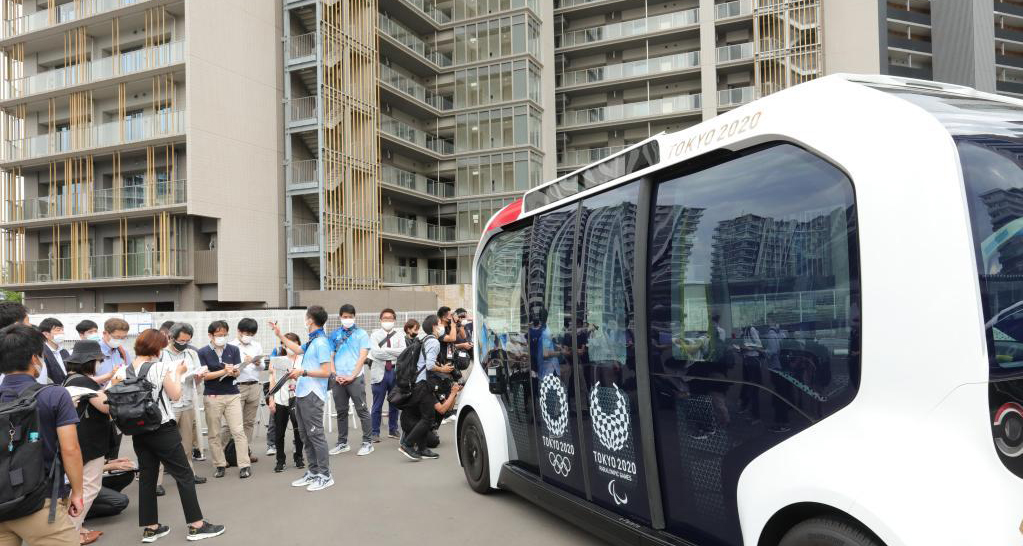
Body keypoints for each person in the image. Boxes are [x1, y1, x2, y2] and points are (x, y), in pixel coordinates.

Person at [111, 329, 225, 542]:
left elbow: (112, 394)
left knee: (147, 477)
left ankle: (151, 528)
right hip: (161, 427)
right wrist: (179, 374)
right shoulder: (160, 367)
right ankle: (196, 525)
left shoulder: (123, 370)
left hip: (137, 431)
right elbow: (175, 395)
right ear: (156, 348)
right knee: (184, 475)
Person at [0, 323, 83, 546]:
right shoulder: (54, 395)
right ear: (35, 358)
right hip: (41, 504)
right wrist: (77, 491)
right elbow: (70, 449)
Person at [271, 305, 334, 492]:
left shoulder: (321, 342)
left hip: (313, 394)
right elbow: (298, 349)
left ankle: (325, 474)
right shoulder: (313, 340)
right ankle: (313, 472)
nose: (304, 320)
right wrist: (279, 335)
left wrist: (303, 371)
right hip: (303, 393)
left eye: (306, 317)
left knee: (316, 435)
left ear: (311, 320)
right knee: (306, 435)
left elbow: (326, 372)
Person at [63, 340, 113, 545]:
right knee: (89, 486)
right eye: (98, 360)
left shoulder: (71, 379)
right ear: (90, 362)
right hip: (89, 442)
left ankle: (77, 526)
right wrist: (116, 385)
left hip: (79, 438)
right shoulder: (84, 382)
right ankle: (72, 532)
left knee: (80, 486)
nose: (99, 364)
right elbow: (105, 407)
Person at [197, 321, 250, 479]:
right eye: (219, 335)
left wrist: (234, 371)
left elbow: (237, 371)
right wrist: (223, 371)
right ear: (210, 336)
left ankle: (244, 465)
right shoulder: (203, 352)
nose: (222, 338)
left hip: (232, 393)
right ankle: (219, 464)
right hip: (212, 395)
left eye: (224, 335)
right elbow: (205, 375)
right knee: (214, 433)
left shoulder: (233, 349)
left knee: (238, 431)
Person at [399, 315, 454, 461]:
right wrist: (443, 370)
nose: (442, 326)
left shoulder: (425, 340)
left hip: (418, 383)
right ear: (435, 326)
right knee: (428, 419)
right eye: (440, 324)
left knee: (424, 417)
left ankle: (423, 448)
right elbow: (429, 365)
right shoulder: (434, 342)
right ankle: (408, 444)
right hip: (423, 384)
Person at [160, 323, 206, 485]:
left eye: (187, 340)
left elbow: (198, 376)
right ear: (171, 338)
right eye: (181, 340)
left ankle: (189, 475)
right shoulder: (161, 354)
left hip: (187, 401)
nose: (184, 343)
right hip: (167, 404)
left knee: (186, 444)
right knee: (163, 444)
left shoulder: (191, 353)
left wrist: (199, 375)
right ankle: (156, 483)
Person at [327, 304, 373, 456]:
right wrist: (334, 374)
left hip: (355, 378)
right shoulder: (334, 335)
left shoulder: (361, 334)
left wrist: (352, 375)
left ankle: (367, 442)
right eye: (345, 317)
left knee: (362, 410)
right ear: (340, 317)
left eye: (350, 316)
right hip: (338, 379)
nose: (347, 319)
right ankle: (342, 443)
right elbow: (330, 356)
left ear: (355, 317)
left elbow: (362, 356)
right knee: (341, 411)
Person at [398, 372, 461, 455]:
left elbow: (448, 407)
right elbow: (442, 409)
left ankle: (419, 437)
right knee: (433, 441)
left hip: (418, 421)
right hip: (410, 421)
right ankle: (409, 436)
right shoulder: (427, 390)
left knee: (431, 436)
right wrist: (452, 394)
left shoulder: (437, 390)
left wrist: (454, 394)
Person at [227, 318, 263, 463]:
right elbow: (227, 367)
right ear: (239, 331)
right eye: (246, 333)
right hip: (237, 385)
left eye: (252, 334)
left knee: (249, 422)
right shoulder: (230, 345)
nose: (249, 336)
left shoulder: (256, 345)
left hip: (254, 385)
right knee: (232, 423)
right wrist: (241, 364)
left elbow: (262, 367)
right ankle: (226, 453)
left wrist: (257, 362)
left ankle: (244, 452)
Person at [367, 309, 406, 443]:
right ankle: (375, 432)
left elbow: (403, 352)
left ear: (394, 320)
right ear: (380, 320)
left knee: (395, 402)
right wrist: (393, 353)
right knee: (377, 404)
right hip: (379, 371)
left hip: (395, 371)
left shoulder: (400, 335)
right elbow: (375, 353)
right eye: (385, 318)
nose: (387, 321)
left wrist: (385, 350)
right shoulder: (374, 335)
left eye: (390, 318)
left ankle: (393, 429)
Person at [268, 333, 304, 473]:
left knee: (299, 430)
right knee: (279, 432)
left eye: (293, 342)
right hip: (280, 399)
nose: (290, 346)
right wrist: (271, 399)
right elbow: (272, 380)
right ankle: (280, 460)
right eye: (287, 343)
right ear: (283, 345)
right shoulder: (277, 360)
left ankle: (299, 457)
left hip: (298, 398)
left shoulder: (302, 359)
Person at [96, 318, 130, 385]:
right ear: (105, 333)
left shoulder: (123, 352)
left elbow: (129, 374)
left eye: (123, 337)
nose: (119, 340)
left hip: (120, 393)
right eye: (116, 337)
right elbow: (84, 380)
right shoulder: (93, 352)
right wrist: (110, 375)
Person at [39, 317, 69, 385]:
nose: (62, 333)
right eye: (58, 330)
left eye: (62, 330)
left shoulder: (64, 352)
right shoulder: (41, 353)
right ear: (46, 334)